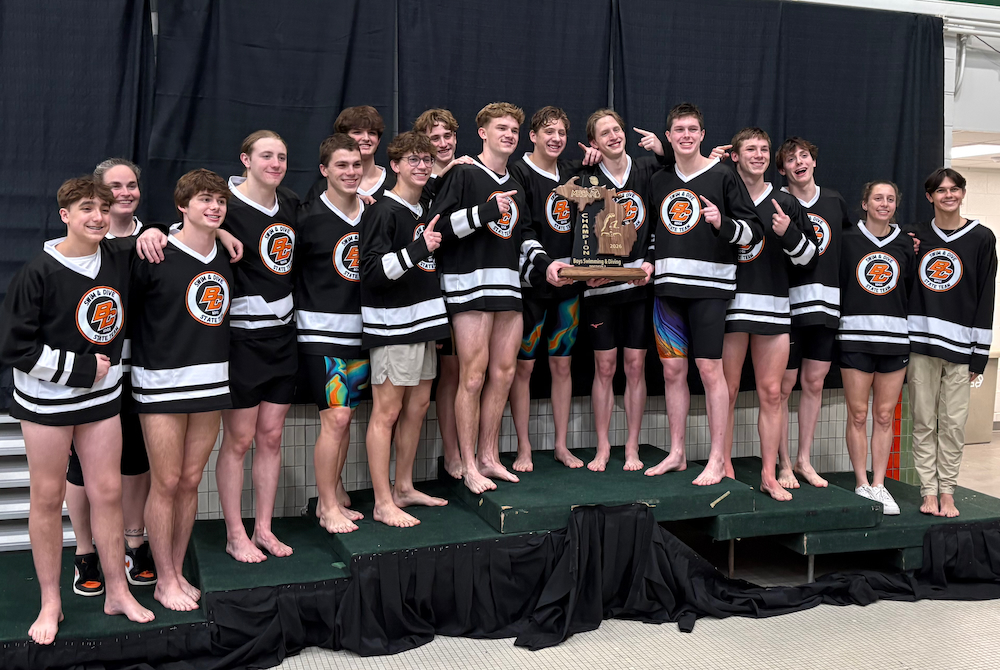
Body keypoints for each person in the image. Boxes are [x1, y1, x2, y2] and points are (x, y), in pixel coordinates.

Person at [1, 176, 155, 643]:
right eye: (87, 208)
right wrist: (81, 369)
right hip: (47, 401)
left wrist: (168, 231)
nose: (97, 216)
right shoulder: (39, 271)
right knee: (47, 499)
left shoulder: (116, 257)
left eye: (104, 209)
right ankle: (51, 602)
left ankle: (116, 591)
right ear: (65, 214)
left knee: (107, 493)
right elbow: (13, 347)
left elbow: (168, 250)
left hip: (101, 401)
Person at [131, 169, 234, 609]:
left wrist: (224, 233)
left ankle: (174, 569)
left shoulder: (227, 253)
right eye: (204, 200)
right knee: (167, 480)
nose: (213, 207)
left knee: (191, 480)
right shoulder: (155, 252)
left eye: (219, 201)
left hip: (211, 382)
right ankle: (164, 578)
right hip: (161, 384)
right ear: (182, 206)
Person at [644, 102, 763, 485]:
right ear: (669, 136)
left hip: (710, 290)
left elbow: (754, 232)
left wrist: (722, 223)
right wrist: (647, 263)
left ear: (702, 135)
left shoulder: (724, 176)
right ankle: (677, 453)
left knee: (710, 371)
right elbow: (651, 234)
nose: (685, 135)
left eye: (692, 128)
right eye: (678, 129)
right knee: (672, 370)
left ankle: (715, 459)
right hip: (667, 292)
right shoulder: (660, 180)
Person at [64, 159, 157, 597]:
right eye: (114, 187)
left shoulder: (158, 237)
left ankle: (134, 541)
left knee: (138, 460)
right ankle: (85, 552)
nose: (124, 192)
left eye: (132, 185)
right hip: (95, 372)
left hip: (144, 369)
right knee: (83, 468)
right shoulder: (84, 242)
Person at [427, 101, 529, 494]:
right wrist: (484, 212)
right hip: (468, 286)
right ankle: (468, 464)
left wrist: (544, 265)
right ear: (482, 132)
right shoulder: (464, 173)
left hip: (507, 286)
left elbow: (522, 234)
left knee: (504, 373)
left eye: (514, 130)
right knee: (472, 376)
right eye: (501, 128)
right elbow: (437, 228)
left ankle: (488, 456)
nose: (509, 135)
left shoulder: (516, 180)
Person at [211, 130, 300, 563]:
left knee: (271, 436)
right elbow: (181, 226)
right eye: (267, 155)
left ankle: (263, 528)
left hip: (283, 338)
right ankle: (234, 533)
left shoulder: (293, 205)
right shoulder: (222, 205)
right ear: (245, 159)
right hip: (242, 340)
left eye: (281, 156)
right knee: (240, 440)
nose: (275, 163)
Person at [360, 131, 452, 526]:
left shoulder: (423, 209)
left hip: (423, 327)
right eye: (412, 159)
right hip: (393, 328)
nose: (421, 165)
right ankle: (382, 502)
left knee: (416, 409)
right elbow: (372, 274)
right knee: (388, 412)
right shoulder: (383, 211)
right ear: (394, 165)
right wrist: (419, 249)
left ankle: (403, 487)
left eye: (426, 159)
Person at [722, 129, 818, 500]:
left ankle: (768, 473)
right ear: (735, 155)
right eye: (751, 149)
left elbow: (809, 259)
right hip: (731, 309)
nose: (759, 155)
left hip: (775, 309)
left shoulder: (786, 202)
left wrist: (788, 233)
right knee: (726, 392)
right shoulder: (723, 195)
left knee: (773, 393)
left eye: (764, 150)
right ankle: (725, 464)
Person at [907, 168, 997, 517]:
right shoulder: (914, 236)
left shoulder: (982, 238)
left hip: (961, 348)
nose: (948, 195)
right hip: (921, 345)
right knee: (924, 421)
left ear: (962, 193)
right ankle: (928, 491)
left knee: (954, 424)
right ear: (929, 196)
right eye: (940, 190)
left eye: (954, 189)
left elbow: (986, 295)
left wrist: (979, 355)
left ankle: (948, 491)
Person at [295, 134, 370, 533]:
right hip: (320, 334)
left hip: (360, 333)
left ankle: (336, 490)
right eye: (342, 166)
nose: (350, 172)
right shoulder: (305, 218)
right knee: (337, 418)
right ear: (324, 170)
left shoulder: (371, 214)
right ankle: (326, 505)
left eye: (356, 165)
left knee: (347, 417)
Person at [576, 109, 657, 472]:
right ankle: (604, 446)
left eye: (616, 129)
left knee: (635, 365)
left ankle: (632, 446)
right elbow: (576, 232)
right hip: (600, 288)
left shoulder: (647, 170)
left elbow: (661, 222)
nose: (613, 136)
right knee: (605, 367)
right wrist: (583, 272)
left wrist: (650, 261)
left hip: (637, 286)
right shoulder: (585, 176)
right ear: (593, 143)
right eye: (604, 133)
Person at [775, 137, 852, 489]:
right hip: (787, 306)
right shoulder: (777, 202)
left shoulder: (835, 201)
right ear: (782, 169)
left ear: (814, 162)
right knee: (782, 387)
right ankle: (784, 463)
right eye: (791, 159)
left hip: (826, 307)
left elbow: (855, 246)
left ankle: (805, 460)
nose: (799, 162)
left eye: (804, 156)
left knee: (814, 383)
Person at [508, 106, 581, 472]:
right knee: (523, 367)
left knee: (562, 365)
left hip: (569, 286)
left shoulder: (573, 172)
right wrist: (543, 265)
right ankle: (523, 447)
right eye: (548, 131)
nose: (556, 138)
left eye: (562, 132)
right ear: (532, 136)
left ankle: (561, 445)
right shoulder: (518, 172)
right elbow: (521, 230)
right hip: (532, 286)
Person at [839, 181, 915, 515]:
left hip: (895, 339)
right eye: (877, 198)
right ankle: (861, 483)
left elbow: (912, 290)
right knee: (857, 413)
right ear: (865, 203)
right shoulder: (847, 240)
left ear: (896, 205)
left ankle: (880, 484)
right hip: (855, 337)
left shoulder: (908, 244)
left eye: (890, 199)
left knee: (884, 415)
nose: (884, 204)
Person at [412, 108, 474, 478]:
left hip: (465, 280)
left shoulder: (467, 171)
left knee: (468, 371)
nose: (443, 143)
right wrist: (445, 172)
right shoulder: (420, 180)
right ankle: (451, 455)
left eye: (447, 136)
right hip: (430, 287)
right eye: (434, 139)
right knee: (446, 374)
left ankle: (468, 453)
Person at [307, 106, 396, 203]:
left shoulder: (395, 185)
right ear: (343, 138)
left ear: (378, 140)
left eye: (372, 133)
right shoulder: (323, 188)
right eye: (357, 132)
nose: (366, 138)